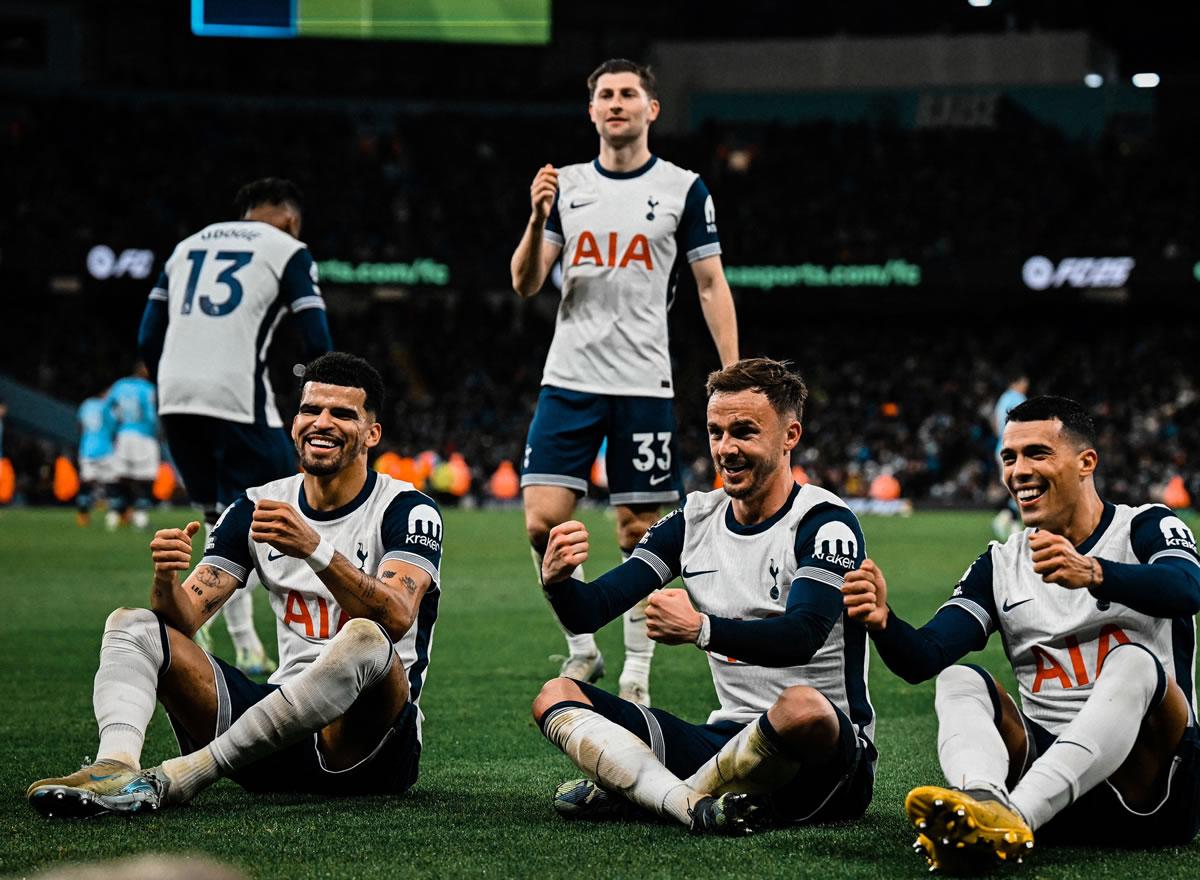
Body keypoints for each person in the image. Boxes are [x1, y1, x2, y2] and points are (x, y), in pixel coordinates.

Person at [26, 352, 443, 818]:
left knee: (364, 636)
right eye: (310, 410)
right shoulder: (256, 506)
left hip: (367, 748)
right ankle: (115, 767)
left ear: (372, 433)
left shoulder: (407, 510)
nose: (322, 423)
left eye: (342, 414)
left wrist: (315, 549)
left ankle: (182, 777)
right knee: (132, 625)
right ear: (294, 422)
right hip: (271, 738)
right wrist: (165, 582)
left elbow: (396, 615)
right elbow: (184, 620)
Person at [843, 395, 1200, 873]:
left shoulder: (1146, 527)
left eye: (1037, 453)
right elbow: (924, 658)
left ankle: (1011, 816)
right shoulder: (1000, 563)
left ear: (1085, 462)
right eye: (1008, 457)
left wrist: (1094, 572)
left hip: (1153, 792)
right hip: (1055, 792)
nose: (1018, 471)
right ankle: (983, 800)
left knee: (1133, 661)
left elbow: (1187, 587)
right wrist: (883, 622)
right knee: (959, 680)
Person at [531, 358, 875, 835]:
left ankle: (645, 788)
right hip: (724, 738)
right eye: (716, 432)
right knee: (556, 694)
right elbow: (591, 610)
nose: (726, 449)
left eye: (744, 432)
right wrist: (559, 583)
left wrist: (701, 630)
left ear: (790, 435)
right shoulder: (695, 519)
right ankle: (687, 800)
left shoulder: (824, 523)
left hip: (824, 755)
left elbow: (803, 635)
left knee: (803, 706)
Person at [511, 59, 739, 705]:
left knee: (638, 531)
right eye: (605, 95)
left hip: (644, 381)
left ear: (651, 109)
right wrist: (535, 220)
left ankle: (637, 672)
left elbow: (709, 282)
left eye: (628, 94)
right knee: (541, 522)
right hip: (570, 377)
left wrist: (731, 372)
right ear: (592, 112)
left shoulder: (682, 188)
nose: (616, 103)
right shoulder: (567, 185)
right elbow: (527, 283)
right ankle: (584, 648)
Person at [137, 177, 333, 675]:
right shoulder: (289, 247)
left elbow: (147, 336)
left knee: (216, 515)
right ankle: (267, 642)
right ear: (290, 218)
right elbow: (315, 338)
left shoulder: (187, 247)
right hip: (237, 399)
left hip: (176, 397)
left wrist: (176, 381)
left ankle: (230, 635)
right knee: (272, 510)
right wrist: (321, 397)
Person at [991, 371, 1029, 539]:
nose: (1026, 386)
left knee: (1016, 486)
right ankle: (1009, 522)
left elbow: (995, 423)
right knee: (1020, 486)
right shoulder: (1018, 399)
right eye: (1024, 383)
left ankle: (1006, 520)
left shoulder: (1003, 399)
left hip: (1002, 447)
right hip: (1015, 449)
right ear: (1017, 382)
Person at [76, 391, 117, 526]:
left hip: (87, 449)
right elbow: (113, 427)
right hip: (105, 449)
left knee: (86, 482)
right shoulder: (107, 407)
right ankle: (114, 517)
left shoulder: (86, 404)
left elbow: (80, 426)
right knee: (111, 483)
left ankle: (83, 515)